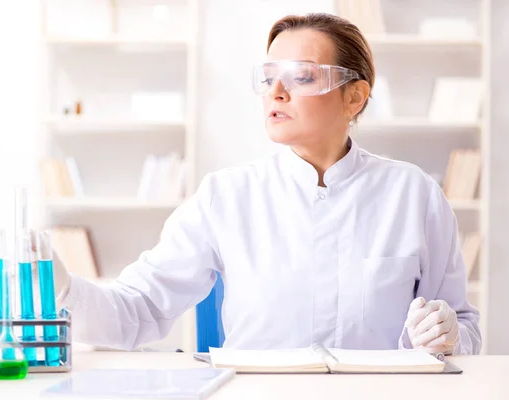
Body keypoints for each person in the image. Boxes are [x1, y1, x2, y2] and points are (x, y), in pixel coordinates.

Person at [52, 13, 481, 355]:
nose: (276, 92)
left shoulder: (414, 194)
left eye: (301, 77)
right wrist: (63, 290)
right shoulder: (227, 196)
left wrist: (449, 337)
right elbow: (138, 309)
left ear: (354, 97)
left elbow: (463, 327)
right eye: (268, 76)